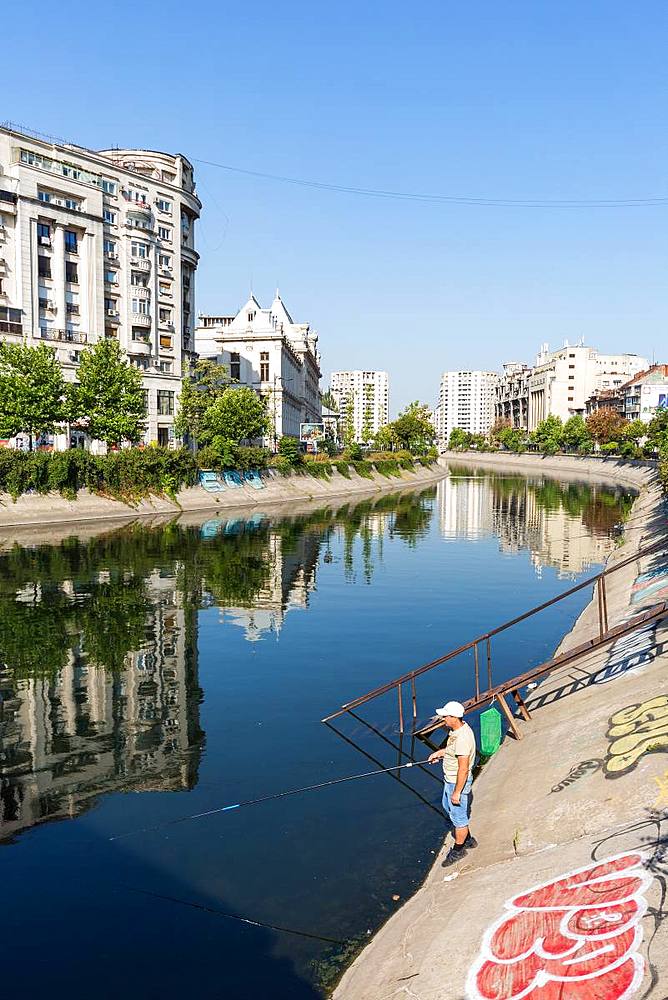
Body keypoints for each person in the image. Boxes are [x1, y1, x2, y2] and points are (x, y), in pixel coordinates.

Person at [428, 700, 477, 866]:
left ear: (454, 717)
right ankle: (468, 839)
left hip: (457, 782)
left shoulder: (462, 738)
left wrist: (457, 792)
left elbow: (463, 769)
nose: (443, 719)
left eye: (445, 716)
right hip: (450, 780)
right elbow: (453, 751)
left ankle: (459, 850)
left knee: (459, 819)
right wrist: (440, 753)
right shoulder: (458, 730)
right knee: (448, 807)